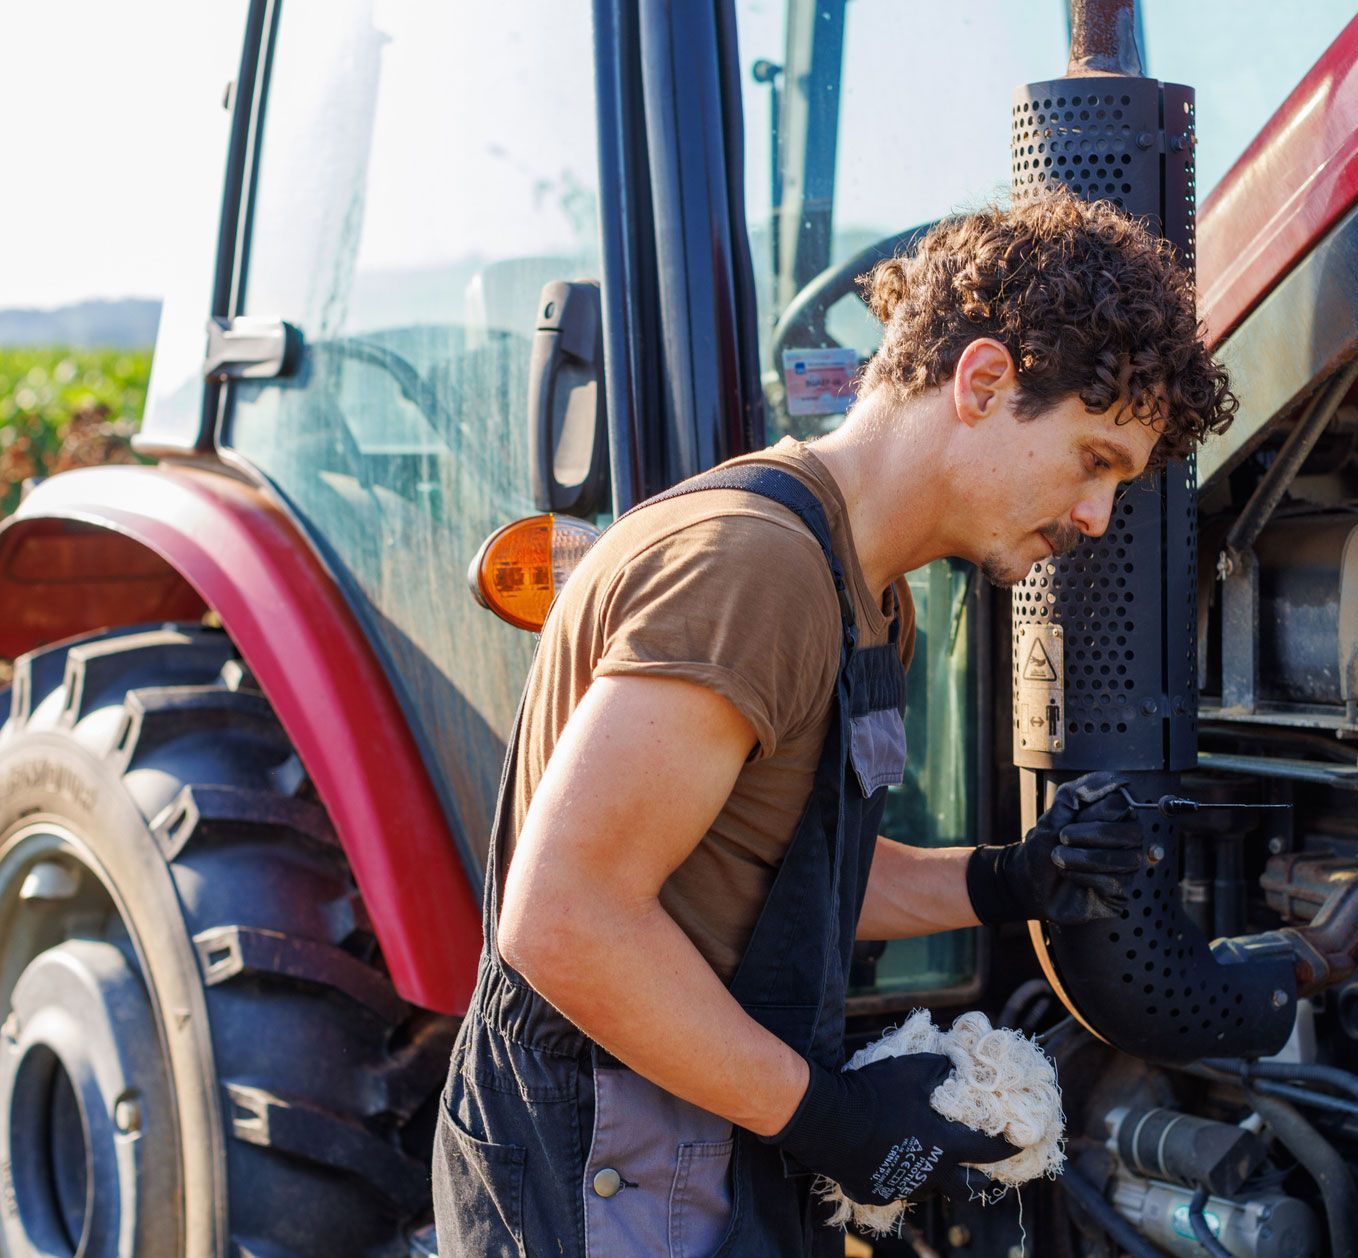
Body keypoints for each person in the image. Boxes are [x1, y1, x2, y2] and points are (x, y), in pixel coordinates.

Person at [432, 187, 1237, 1256]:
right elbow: (566, 919)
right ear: (983, 382)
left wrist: (1006, 877)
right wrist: (827, 1120)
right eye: (1095, 461)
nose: (1094, 518)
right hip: (611, 1137)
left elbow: (783, 876)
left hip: (698, 1103)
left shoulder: (866, 593)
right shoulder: (753, 567)